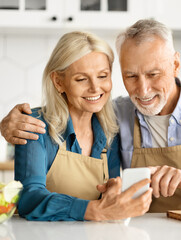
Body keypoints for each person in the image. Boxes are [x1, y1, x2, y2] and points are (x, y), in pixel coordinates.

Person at [0, 19, 181, 212]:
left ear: (176, 65)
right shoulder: (114, 115)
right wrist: (6, 125)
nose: (143, 89)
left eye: (153, 74)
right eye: (131, 76)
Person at [12, 31, 152, 221]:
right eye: (81, 79)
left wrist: (111, 193)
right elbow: (29, 198)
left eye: (103, 76)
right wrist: (92, 210)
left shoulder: (110, 131)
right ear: (58, 82)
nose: (95, 88)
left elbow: (106, 199)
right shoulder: (33, 125)